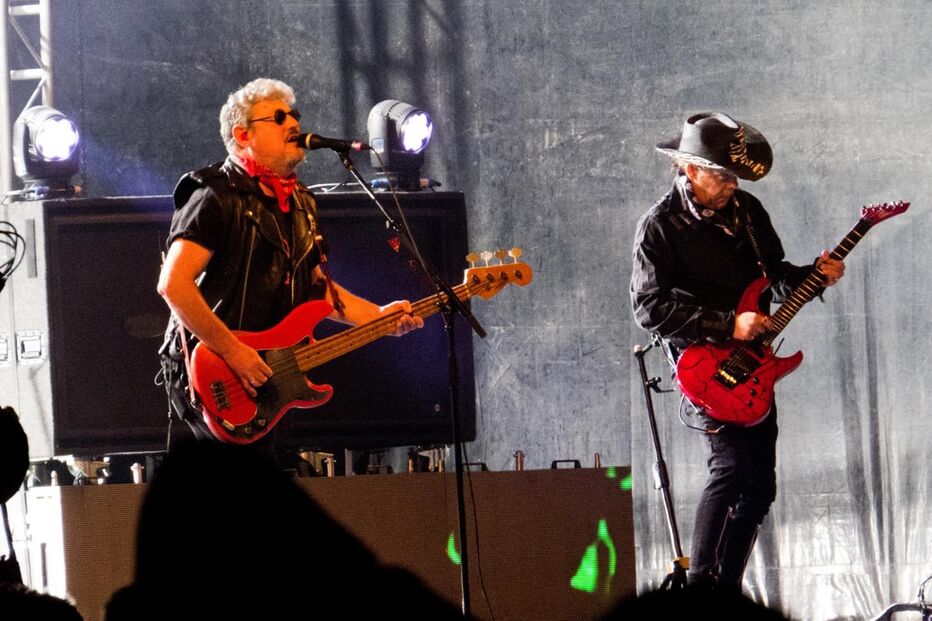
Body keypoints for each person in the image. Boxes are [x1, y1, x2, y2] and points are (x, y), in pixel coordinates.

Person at [629, 112, 845, 588]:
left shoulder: (749, 212)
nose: (731, 185)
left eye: (735, 176)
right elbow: (648, 308)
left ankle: (727, 585)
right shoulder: (660, 226)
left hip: (756, 366)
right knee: (728, 471)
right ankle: (701, 583)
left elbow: (777, 272)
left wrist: (816, 272)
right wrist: (729, 322)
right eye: (722, 175)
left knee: (760, 487)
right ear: (689, 170)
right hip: (707, 368)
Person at [157, 78, 423, 443]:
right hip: (215, 373)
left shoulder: (300, 202)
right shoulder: (214, 195)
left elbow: (317, 289)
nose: (293, 124)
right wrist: (234, 352)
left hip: (269, 375)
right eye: (278, 117)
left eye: (294, 115)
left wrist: (378, 319)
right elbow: (174, 285)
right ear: (243, 134)